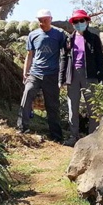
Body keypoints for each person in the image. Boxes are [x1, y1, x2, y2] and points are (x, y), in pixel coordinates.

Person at [17, 9, 66, 142]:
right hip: (35, 73)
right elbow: (29, 55)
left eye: (44, 20)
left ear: (50, 19)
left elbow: (65, 54)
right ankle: (22, 128)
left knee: (52, 105)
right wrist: (25, 72)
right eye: (39, 20)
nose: (42, 22)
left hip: (52, 75)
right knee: (27, 96)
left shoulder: (59, 34)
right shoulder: (33, 35)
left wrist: (63, 75)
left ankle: (56, 136)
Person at [59, 9, 103, 146]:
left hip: (89, 75)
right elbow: (63, 59)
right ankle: (73, 137)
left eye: (81, 21)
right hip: (72, 75)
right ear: (72, 23)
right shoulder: (69, 39)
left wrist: (101, 77)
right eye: (76, 21)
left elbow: (100, 59)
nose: (79, 23)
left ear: (87, 21)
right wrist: (61, 79)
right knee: (72, 108)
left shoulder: (94, 38)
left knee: (93, 108)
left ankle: (93, 138)